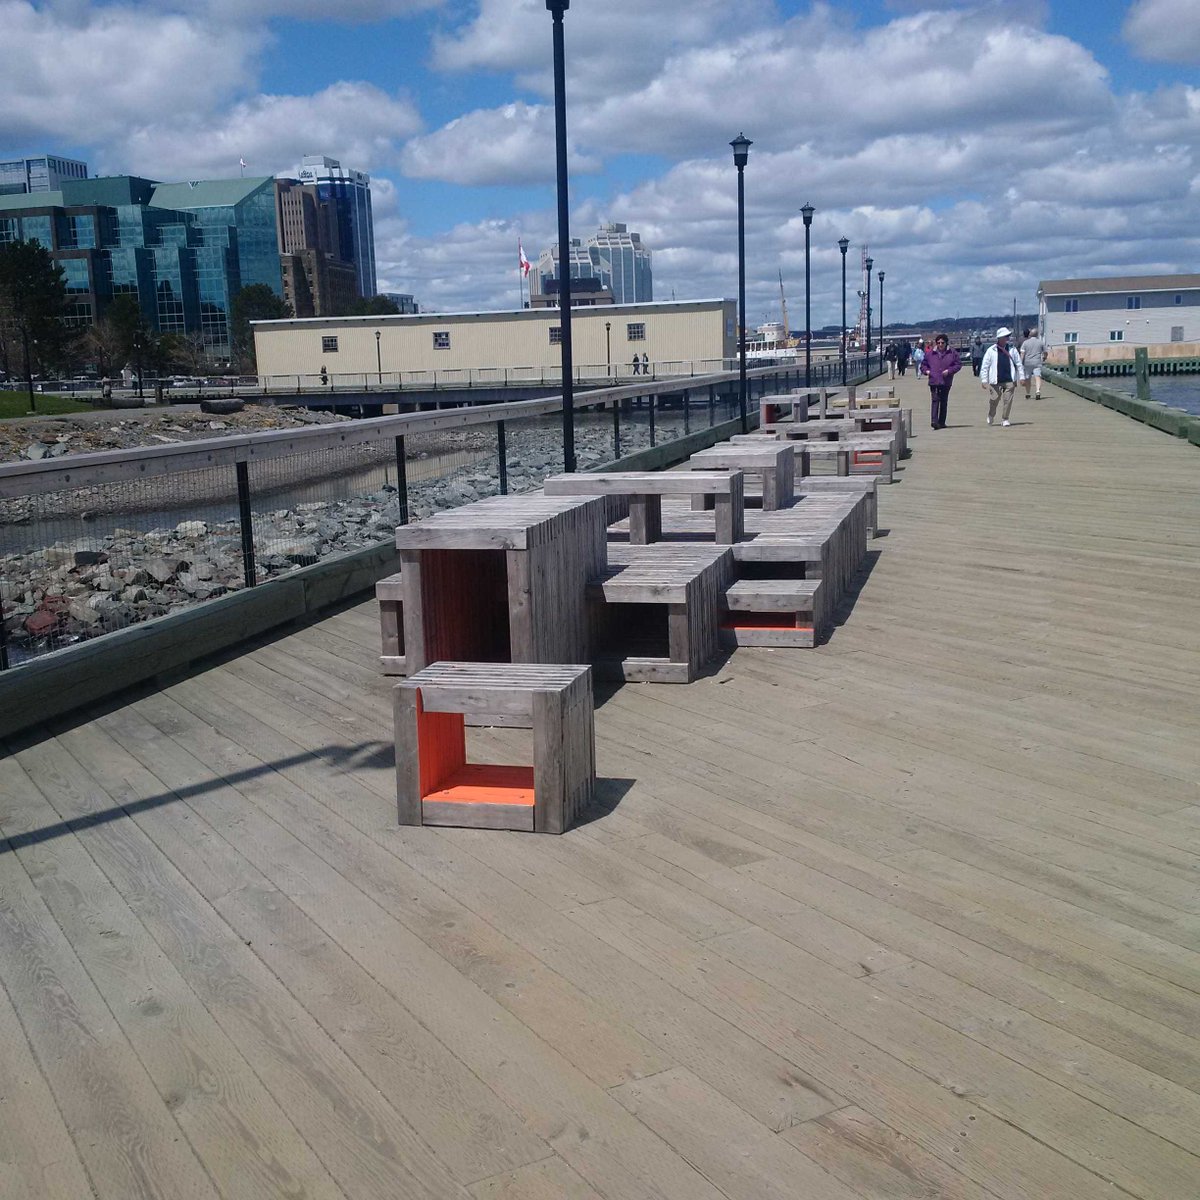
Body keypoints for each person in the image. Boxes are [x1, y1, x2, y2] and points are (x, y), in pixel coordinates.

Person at [979, 326, 1025, 426]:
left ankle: (1005, 418)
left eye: (1008, 336)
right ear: (999, 338)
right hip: (995, 379)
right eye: (1005, 336)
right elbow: (985, 366)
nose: (1007, 338)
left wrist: (1022, 377)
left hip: (1009, 379)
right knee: (994, 399)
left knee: (1008, 400)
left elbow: (1019, 363)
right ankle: (991, 415)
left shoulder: (1012, 349)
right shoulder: (991, 350)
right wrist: (984, 380)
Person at [920, 332, 961, 429]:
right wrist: (927, 371)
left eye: (942, 342)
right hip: (934, 380)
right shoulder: (930, 353)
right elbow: (923, 365)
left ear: (946, 343)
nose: (940, 344)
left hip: (946, 380)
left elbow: (958, 365)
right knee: (935, 400)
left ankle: (942, 422)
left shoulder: (952, 352)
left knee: (943, 401)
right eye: (938, 343)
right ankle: (934, 421)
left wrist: (949, 371)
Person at [1019, 327, 1046, 400]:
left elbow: (1022, 353)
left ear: (1030, 335)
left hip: (1027, 363)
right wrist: (1044, 358)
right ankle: (1037, 391)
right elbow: (1045, 352)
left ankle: (1028, 393)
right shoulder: (1040, 342)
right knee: (1037, 376)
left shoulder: (1025, 342)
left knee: (1028, 378)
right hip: (1037, 362)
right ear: (1037, 335)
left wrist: (1020, 363)